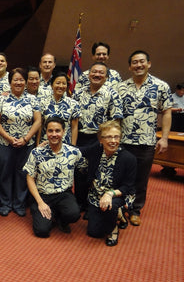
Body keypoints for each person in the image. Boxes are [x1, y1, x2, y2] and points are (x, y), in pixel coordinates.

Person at [117, 50, 172, 226]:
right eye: (134, 62)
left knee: (141, 178)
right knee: (121, 176)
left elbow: (167, 112)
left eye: (142, 61)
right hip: (123, 141)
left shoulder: (161, 86)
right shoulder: (121, 87)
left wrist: (164, 138)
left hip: (146, 142)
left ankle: (135, 209)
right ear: (129, 66)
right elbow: (115, 115)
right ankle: (119, 207)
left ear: (149, 63)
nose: (138, 65)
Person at [23, 117, 86, 238]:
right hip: (43, 195)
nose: (54, 134)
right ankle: (42, 212)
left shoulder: (74, 152)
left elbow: (84, 170)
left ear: (64, 132)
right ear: (46, 132)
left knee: (73, 214)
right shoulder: (36, 152)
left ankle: (59, 217)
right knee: (42, 231)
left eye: (57, 131)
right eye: (50, 131)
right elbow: (29, 178)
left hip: (64, 194)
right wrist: (40, 203)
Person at [73, 62, 123, 211]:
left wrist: (107, 140)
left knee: (96, 172)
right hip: (80, 137)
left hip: (99, 140)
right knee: (79, 171)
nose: (97, 75)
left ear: (106, 77)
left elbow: (116, 120)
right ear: (89, 75)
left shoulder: (112, 94)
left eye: (101, 73)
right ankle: (79, 202)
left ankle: (92, 205)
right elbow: (73, 119)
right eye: (94, 72)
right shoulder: (78, 92)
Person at [0, 68, 41, 217]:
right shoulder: (1, 98)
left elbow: (38, 120)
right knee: (5, 173)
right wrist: (8, 137)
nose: (18, 82)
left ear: (25, 82)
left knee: (22, 173)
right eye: (15, 80)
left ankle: (19, 203)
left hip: (27, 143)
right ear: (10, 82)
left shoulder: (33, 99)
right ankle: (6, 203)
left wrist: (26, 139)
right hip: (5, 143)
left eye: (21, 80)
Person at [80, 121, 136, 247]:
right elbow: (78, 151)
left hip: (119, 195)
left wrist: (110, 194)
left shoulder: (129, 158)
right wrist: (52, 145)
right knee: (94, 232)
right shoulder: (96, 150)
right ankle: (120, 215)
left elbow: (128, 186)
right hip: (97, 195)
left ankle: (114, 229)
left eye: (116, 137)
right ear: (101, 140)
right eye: (109, 137)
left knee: (111, 206)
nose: (113, 141)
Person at [38, 72, 80, 146]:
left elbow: (74, 127)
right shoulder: (42, 102)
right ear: (51, 85)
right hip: (46, 143)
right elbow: (40, 125)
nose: (61, 86)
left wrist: (73, 146)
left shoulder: (73, 104)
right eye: (58, 83)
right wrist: (38, 144)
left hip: (65, 144)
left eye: (64, 83)